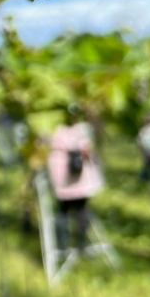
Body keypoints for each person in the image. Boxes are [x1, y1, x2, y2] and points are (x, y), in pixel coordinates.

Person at [47, 104, 104, 251]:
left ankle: (64, 243)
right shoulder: (81, 129)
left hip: (62, 172)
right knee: (81, 209)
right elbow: (87, 149)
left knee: (63, 209)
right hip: (76, 173)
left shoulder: (53, 127)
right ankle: (80, 243)